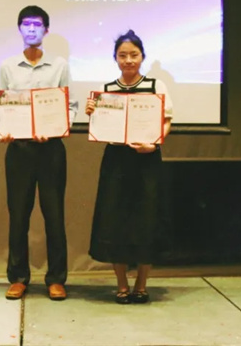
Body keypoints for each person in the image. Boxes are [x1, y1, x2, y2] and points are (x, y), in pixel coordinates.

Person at [85, 30, 173, 304]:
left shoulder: (156, 86)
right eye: (122, 55)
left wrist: (153, 144)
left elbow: (166, 121)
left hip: (147, 159)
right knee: (115, 220)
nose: (128, 60)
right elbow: (101, 127)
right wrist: (93, 113)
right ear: (115, 58)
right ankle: (121, 285)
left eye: (134, 55)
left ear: (142, 57)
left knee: (147, 219)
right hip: (116, 160)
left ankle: (141, 285)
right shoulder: (107, 90)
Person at [0, 5, 78, 301]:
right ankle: (18, 277)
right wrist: (4, 128)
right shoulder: (8, 66)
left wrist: (58, 128)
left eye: (37, 24)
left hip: (51, 149)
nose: (31, 29)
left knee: (54, 215)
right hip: (19, 150)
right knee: (18, 215)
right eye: (26, 24)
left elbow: (70, 106)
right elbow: (3, 105)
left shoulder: (59, 65)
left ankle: (56, 278)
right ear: (19, 29)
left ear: (46, 30)